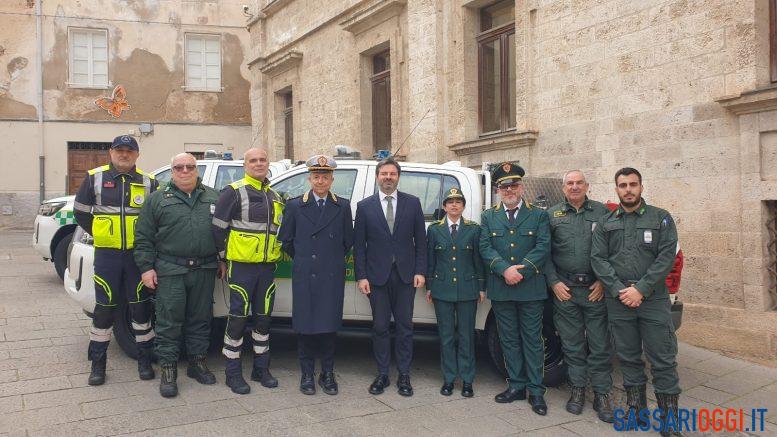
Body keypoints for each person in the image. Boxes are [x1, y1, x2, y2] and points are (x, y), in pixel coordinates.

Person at [591, 167, 680, 436]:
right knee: (628, 357)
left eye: (632, 184)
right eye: (622, 185)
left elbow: (666, 258)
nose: (628, 189)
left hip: (652, 300)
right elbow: (598, 259)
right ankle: (636, 410)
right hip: (619, 302)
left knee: (663, 359)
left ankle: (669, 419)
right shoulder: (606, 222)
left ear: (641, 186)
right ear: (616, 189)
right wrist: (620, 290)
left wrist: (640, 289)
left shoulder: (661, 218)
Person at [72, 135, 159, 386]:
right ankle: (97, 365)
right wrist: (102, 233)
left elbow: (156, 219)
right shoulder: (94, 177)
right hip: (108, 256)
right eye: (119, 150)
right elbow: (81, 212)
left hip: (137, 256)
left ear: (137, 155)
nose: (124, 154)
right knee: (105, 310)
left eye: (129, 151)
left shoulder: (148, 182)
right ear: (111, 153)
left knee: (141, 309)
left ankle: (144, 361)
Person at [133, 153, 221, 398]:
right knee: (169, 322)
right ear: (172, 171)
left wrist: (222, 259)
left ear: (196, 170)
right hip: (171, 270)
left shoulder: (213, 196)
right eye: (179, 167)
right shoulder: (157, 199)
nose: (185, 171)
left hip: (204, 268)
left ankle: (197, 363)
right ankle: (168, 369)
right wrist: (146, 268)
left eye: (190, 167)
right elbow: (143, 237)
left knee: (200, 319)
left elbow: (223, 233)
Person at [278, 155, 354, 396]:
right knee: (305, 327)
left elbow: (347, 242)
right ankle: (307, 374)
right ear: (309, 179)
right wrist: (305, 258)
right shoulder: (294, 205)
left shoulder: (342, 205)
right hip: (305, 274)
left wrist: (327, 259)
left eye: (325, 177)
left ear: (332, 180)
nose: (320, 181)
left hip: (330, 274)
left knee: (329, 327)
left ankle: (327, 373)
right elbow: (287, 241)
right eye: (316, 177)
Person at [479, 162, 550, 416]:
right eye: (504, 186)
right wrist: (504, 270)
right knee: (508, 339)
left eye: (514, 185)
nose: (509, 190)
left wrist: (521, 271)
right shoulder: (488, 217)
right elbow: (485, 247)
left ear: (521, 187)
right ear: (498, 190)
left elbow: (543, 247)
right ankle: (517, 386)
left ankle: (537, 391)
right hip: (502, 287)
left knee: (532, 340)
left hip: (530, 287)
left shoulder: (539, 215)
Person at [212, 147, 285, 394]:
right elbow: (218, 229)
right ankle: (233, 373)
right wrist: (222, 259)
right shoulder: (233, 192)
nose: (258, 164)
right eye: (253, 160)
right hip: (241, 267)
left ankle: (261, 369)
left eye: (263, 160)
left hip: (267, 268)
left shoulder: (275, 195)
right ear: (245, 165)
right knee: (237, 319)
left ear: (268, 164)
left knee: (263, 319)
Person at [354, 157, 426, 397]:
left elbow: (421, 242)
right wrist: (361, 276)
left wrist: (420, 271)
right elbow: (359, 246)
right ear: (377, 177)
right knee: (380, 326)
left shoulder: (413, 203)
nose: (388, 177)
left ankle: (404, 374)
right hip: (376, 278)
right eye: (384, 174)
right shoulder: (365, 207)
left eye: (392, 174)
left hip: (406, 276)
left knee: (405, 327)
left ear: (398, 177)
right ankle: (383, 374)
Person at [545, 170, 613, 422]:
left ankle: (603, 394)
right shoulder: (552, 215)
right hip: (566, 292)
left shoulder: (603, 213)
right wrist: (553, 283)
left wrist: (604, 283)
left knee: (599, 346)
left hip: (595, 291)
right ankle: (577, 391)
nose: (574, 187)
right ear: (563, 188)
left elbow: (613, 251)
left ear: (587, 186)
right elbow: (545, 253)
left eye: (579, 183)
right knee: (572, 346)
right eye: (569, 183)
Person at [425, 187, 485, 398]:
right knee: (446, 337)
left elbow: (479, 260)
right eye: (450, 202)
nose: (454, 205)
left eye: (458, 202)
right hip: (442, 290)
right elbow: (430, 260)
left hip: (468, 290)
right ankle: (449, 379)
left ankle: (467, 380)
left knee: (467, 337)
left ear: (463, 206)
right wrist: (430, 286)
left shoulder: (473, 229)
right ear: (444, 206)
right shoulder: (434, 230)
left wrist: (481, 287)